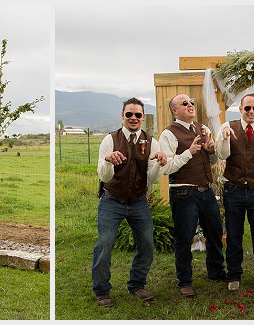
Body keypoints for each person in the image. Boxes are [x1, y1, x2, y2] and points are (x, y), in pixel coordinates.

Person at [91, 98, 168, 307]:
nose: (133, 118)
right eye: (129, 114)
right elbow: (104, 177)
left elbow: (152, 178)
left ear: (143, 117)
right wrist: (108, 160)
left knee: (147, 243)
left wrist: (160, 163)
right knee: (105, 244)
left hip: (138, 201)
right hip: (111, 199)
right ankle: (102, 291)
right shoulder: (110, 140)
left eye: (137, 115)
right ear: (122, 116)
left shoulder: (152, 142)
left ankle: (136, 284)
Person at [158, 93, 225, 297]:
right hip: (184, 192)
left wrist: (210, 150)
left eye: (192, 102)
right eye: (184, 103)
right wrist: (189, 152)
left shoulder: (201, 129)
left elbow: (208, 160)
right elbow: (167, 167)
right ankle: (185, 280)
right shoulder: (168, 134)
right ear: (174, 110)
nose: (190, 105)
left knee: (214, 233)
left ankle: (216, 271)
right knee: (184, 238)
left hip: (206, 191)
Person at [216, 93, 254, 292]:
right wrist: (225, 139)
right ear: (240, 109)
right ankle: (234, 274)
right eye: (248, 108)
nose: (251, 112)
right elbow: (221, 154)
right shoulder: (227, 127)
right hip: (233, 189)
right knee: (234, 234)